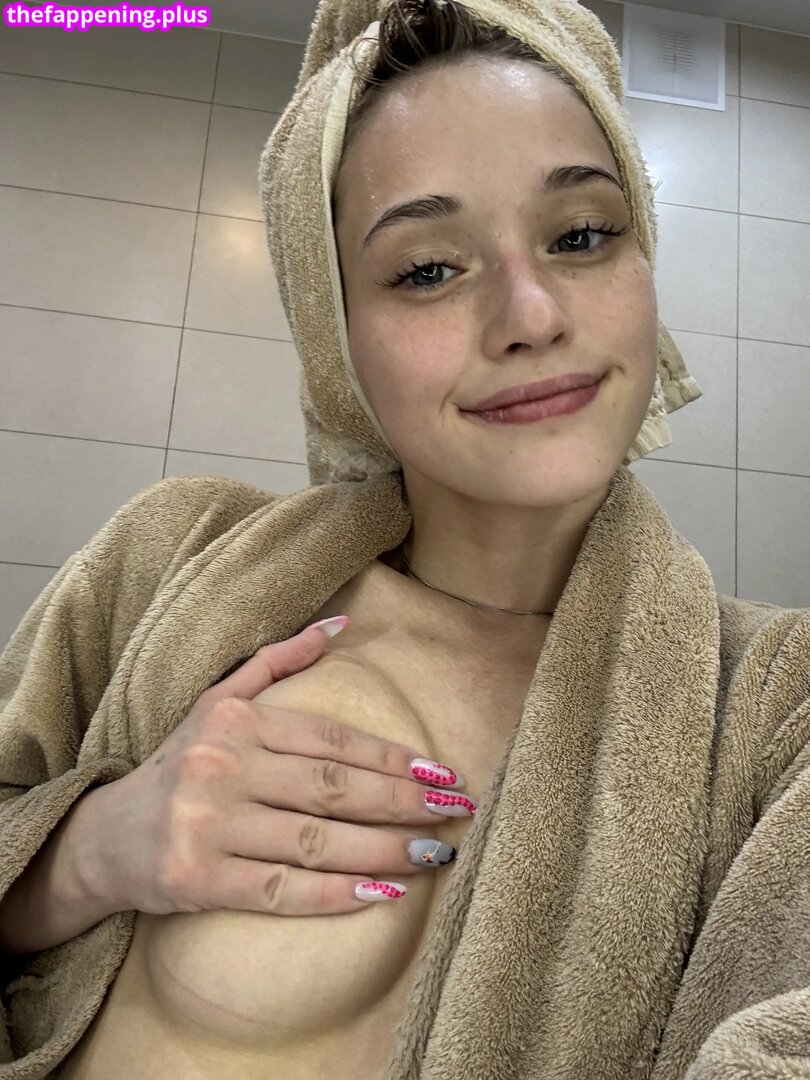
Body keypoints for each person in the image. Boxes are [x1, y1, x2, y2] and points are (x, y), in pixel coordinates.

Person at [3, 2, 810, 1079]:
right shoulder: (165, 561)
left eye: (581, 236)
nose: (531, 315)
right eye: (429, 268)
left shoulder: (778, 711)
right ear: (337, 339)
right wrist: (85, 853)